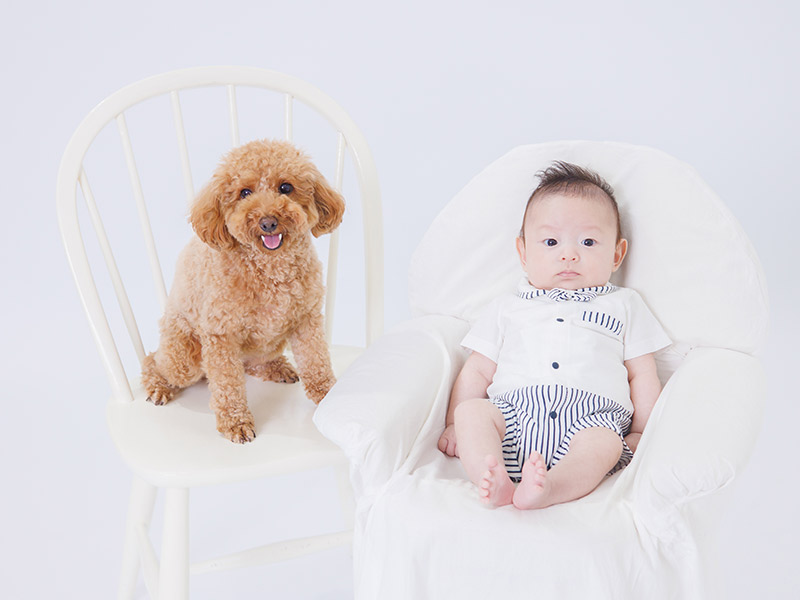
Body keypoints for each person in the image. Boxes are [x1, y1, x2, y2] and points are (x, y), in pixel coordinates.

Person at [437, 161, 670, 509]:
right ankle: (492, 475)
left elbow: (643, 373)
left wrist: (640, 433)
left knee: (603, 445)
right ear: (523, 253)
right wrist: (454, 422)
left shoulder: (625, 304)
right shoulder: (507, 307)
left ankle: (549, 488)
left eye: (588, 241)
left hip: (592, 419)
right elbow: (478, 370)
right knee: (472, 412)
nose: (569, 254)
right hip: (513, 414)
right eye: (550, 241)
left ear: (617, 255)